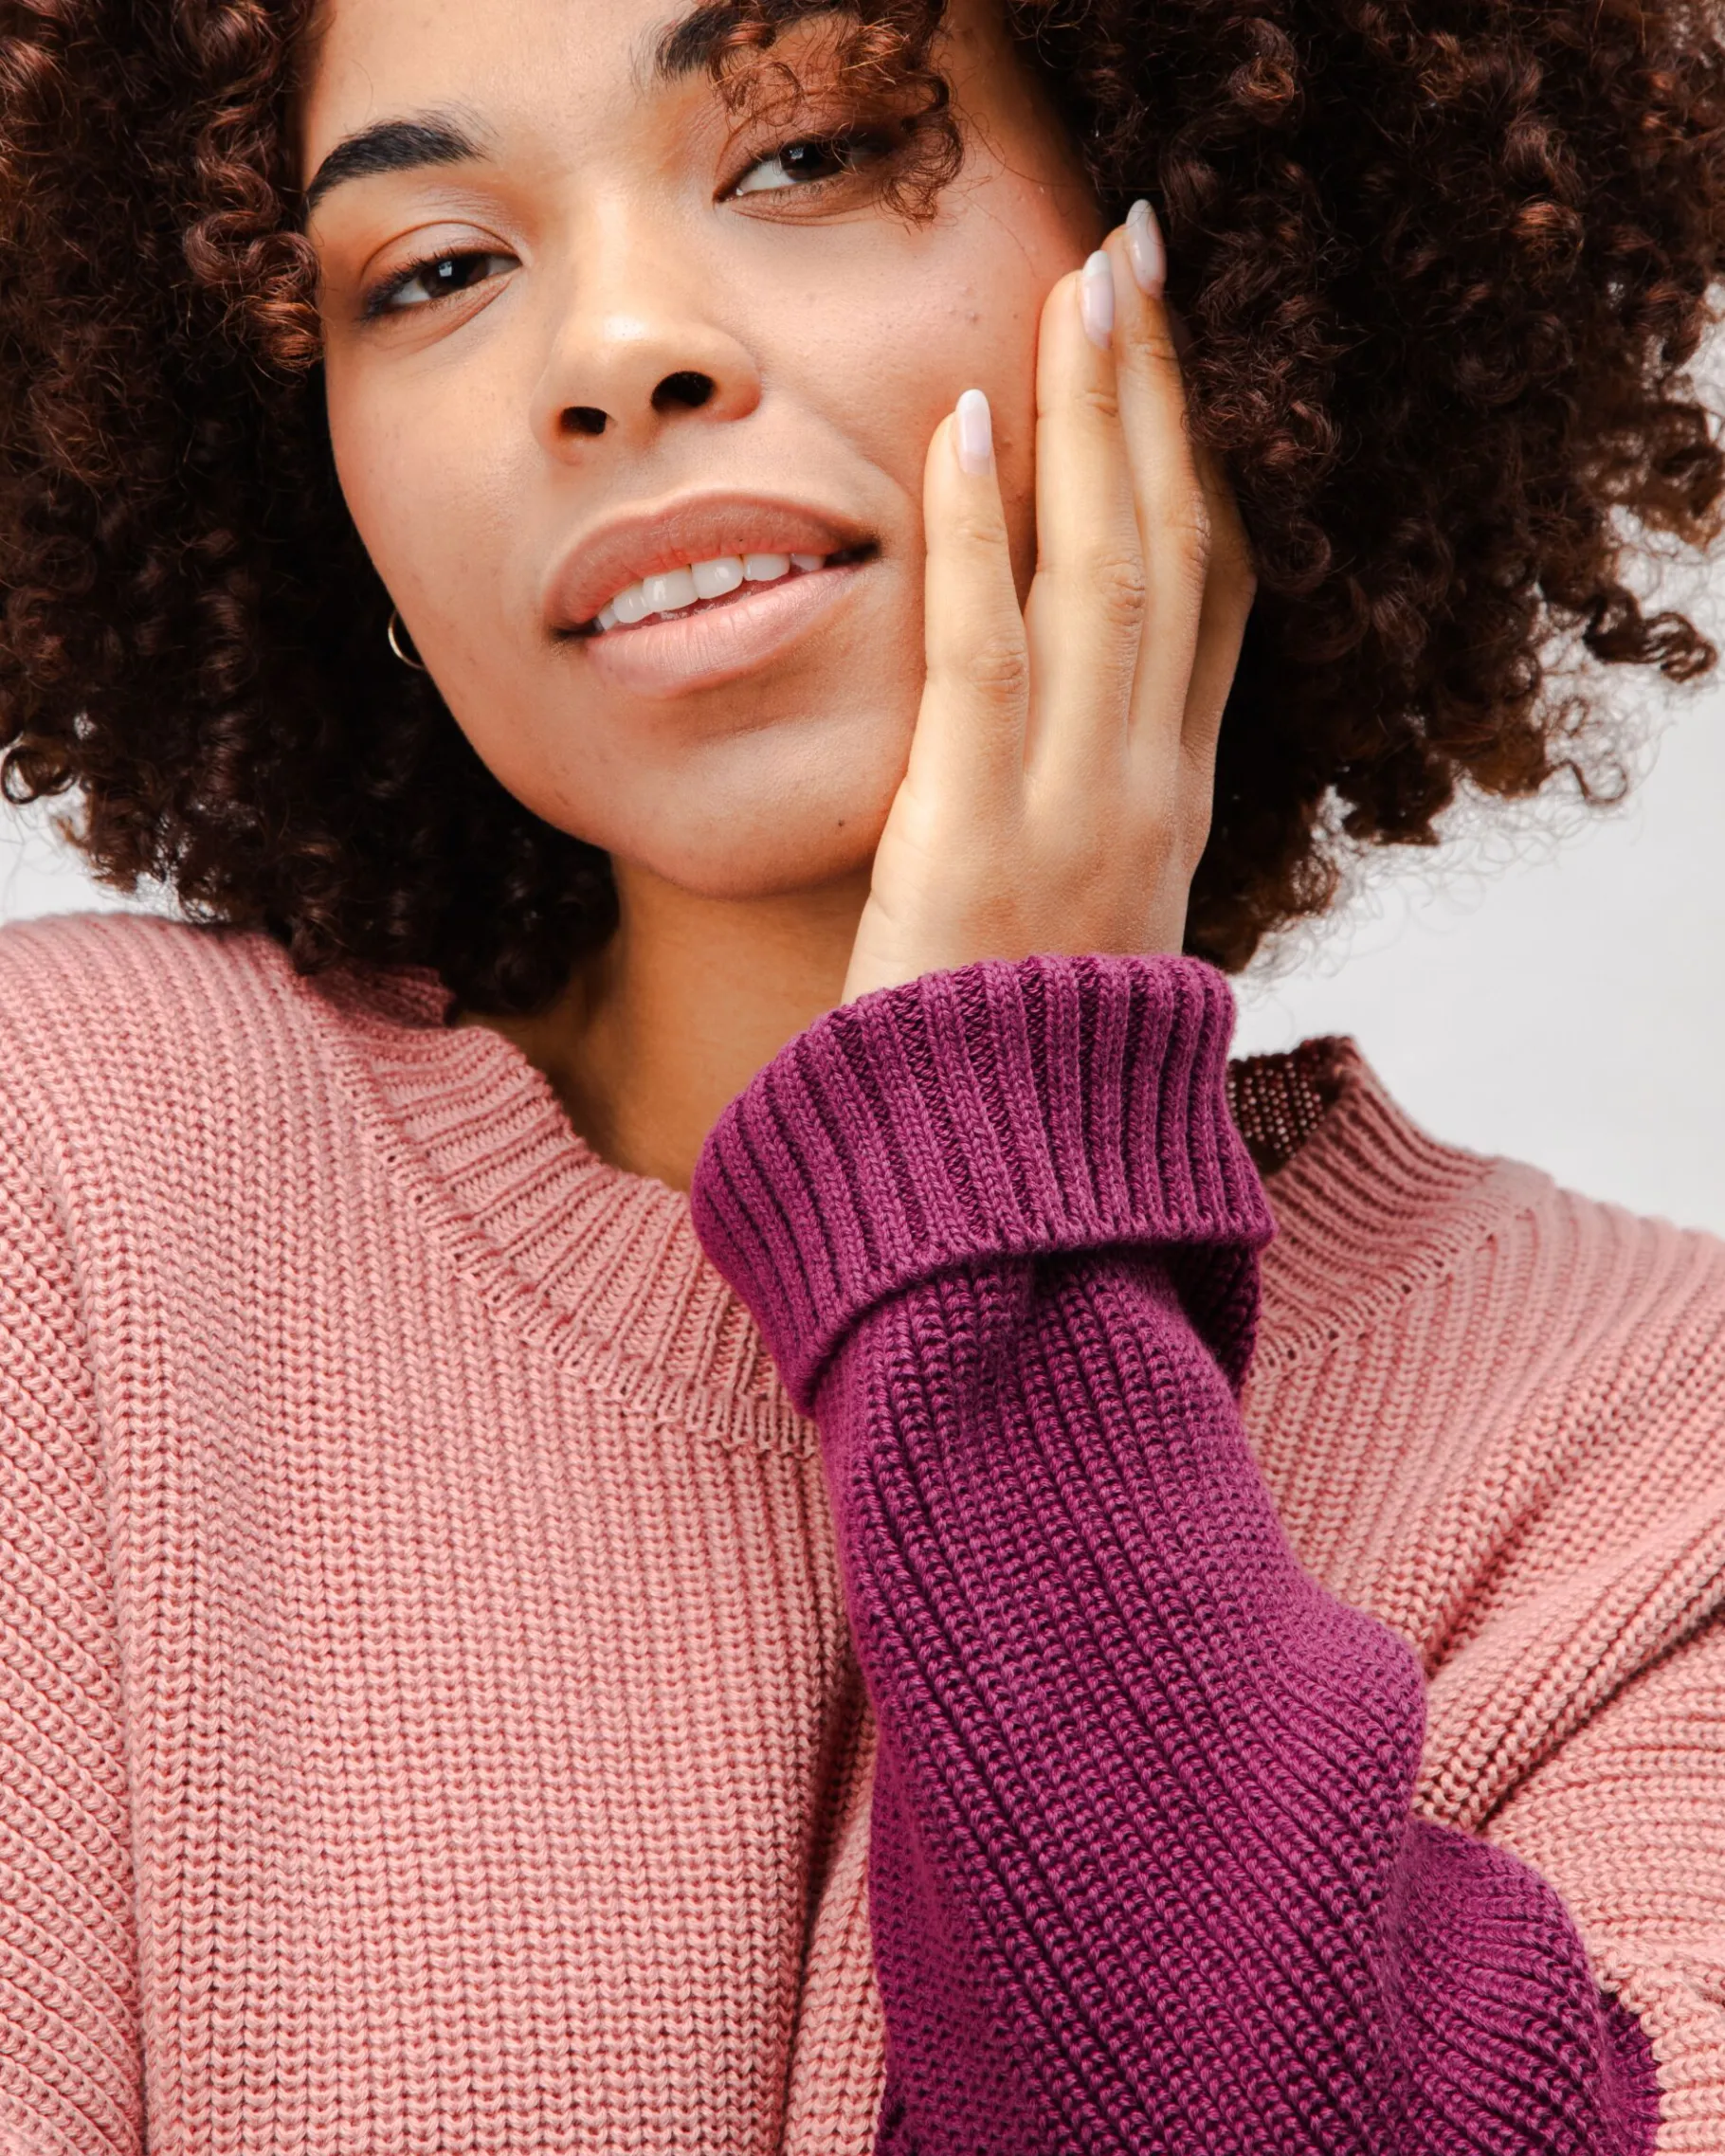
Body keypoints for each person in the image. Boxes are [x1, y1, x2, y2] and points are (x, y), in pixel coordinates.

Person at [0, 0, 1720, 2145]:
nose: (615, 351)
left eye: (806, 150)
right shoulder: (72, 1183)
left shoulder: (1660, 1474)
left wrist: (997, 1160)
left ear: (1211, 238)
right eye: (431, 269)